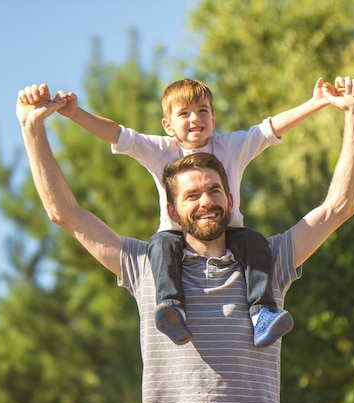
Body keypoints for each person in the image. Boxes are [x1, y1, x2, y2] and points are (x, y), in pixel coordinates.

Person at [16, 76, 354, 403]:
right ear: (171, 209)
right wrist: (32, 130)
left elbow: (339, 208)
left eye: (214, 191)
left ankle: (262, 314)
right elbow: (65, 214)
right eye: (192, 195)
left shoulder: (266, 262)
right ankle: (174, 309)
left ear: (230, 199)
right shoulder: (147, 266)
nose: (206, 202)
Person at [52, 78, 331, 346]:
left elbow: (270, 129)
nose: (195, 119)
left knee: (256, 243)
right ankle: (172, 309)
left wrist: (314, 103)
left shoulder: (230, 147)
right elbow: (118, 134)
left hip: (228, 230)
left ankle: (262, 313)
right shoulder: (161, 149)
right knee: (159, 246)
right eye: (184, 114)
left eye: (202, 111)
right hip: (178, 232)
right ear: (168, 125)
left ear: (213, 118)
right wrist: (76, 114)